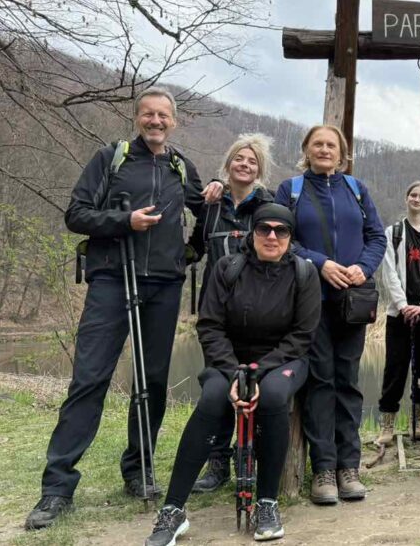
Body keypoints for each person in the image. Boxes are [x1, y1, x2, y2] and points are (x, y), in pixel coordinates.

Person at [26, 87, 204, 530]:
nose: (156, 121)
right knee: (89, 379)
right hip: (111, 279)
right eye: (149, 114)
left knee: (154, 381)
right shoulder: (112, 158)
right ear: (137, 117)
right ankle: (56, 488)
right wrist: (125, 222)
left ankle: (139, 471)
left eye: (163, 115)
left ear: (174, 122)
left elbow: (210, 211)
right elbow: (76, 214)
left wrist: (194, 249)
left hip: (164, 285)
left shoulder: (182, 167)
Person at [144, 204, 319, 545]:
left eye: (280, 231)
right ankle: (173, 510)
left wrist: (258, 371)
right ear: (252, 233)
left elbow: (303, 334)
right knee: (211, 399)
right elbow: (210, 325)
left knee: (271, 396)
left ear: (289, 237)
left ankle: (267, 502)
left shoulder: (304, 273)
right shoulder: (228, 268)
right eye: (264, 229)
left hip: (283, 360)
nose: (271, 236)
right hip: (229, 360)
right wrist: (233, 370)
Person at [273, 124, 386, 506]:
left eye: (331, 145)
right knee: (319, 382)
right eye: (317, 144)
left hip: (352, 304)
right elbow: (282, 240)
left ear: (342, 154)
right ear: (306, 150)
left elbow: (377, 237)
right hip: (310, 301)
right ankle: (322, 469)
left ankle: (348, 467)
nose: (324, 150)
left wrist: (363, 268)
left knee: (348, 382)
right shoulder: (291, 190)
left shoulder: (356, 190)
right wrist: (321, 263)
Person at [187, 133, 276, 493]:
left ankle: (248, 459)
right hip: (215, 311)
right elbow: (194, 248)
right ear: (227, 164)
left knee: (254, 385)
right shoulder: (210, 204)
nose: (245, 164)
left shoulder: (266, 206)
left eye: (252, 161)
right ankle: (217, 463)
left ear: (260, 170)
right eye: (239, 158)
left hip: (257, 311)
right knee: (220, 385)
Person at [375, 181, 420, 446]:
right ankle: (387, 424)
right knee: (395, 367)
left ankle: (417, 419)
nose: (417, 199)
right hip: (399, 313)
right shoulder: (393, 232)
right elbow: (389, 273)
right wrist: (403, 305)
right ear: (406, 199)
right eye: (413, 195)